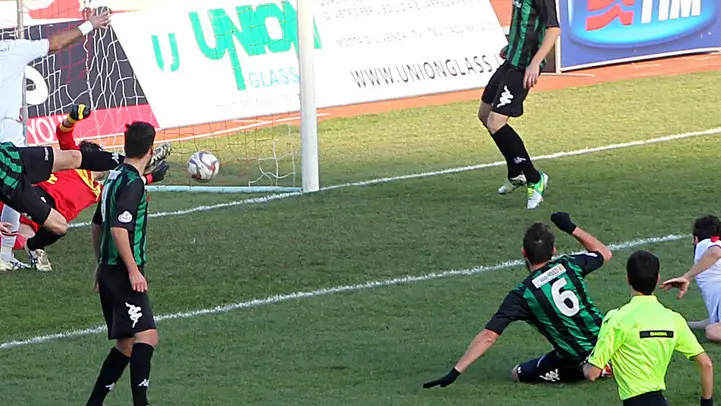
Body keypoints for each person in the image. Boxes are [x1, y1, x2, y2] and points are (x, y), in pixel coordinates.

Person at [423, 212, 612, 388]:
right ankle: (610, 359)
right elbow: (604, 252)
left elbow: (489, 336)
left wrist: (455, 371)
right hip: (608, 339)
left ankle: (597, 366)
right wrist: (571, 227)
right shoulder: (569, 264)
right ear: (553, 250)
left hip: (575, 359)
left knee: (517, 373)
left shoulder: (522, 294)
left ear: (523, 252)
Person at [0, 7, 111, 270]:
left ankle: (5, 255)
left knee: (64, 162)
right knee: (49, 188)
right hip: (11, 148)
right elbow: (57, 42)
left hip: (14, 147)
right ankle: (7, 252)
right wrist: (90, 25)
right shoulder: (12, 49)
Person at [0, 104, 170, 271]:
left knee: (55, 227)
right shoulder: (74, 163)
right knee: (18, 229)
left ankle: (32, 247)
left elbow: (125, 193)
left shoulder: (100, 189)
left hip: (19, 173)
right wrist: (71, 119)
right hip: (32, 195)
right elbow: (63, 133)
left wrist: (147, 178)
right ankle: (8, 255)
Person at [86, 121, 160, 406]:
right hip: (122, 273)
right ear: (150, 151)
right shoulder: (132, 183)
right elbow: (117, 229)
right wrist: (132, 270)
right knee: (147, 337)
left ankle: (94, 403)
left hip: (109, 269)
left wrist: (100, 263)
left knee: (126, 344)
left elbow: (96, 225)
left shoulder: (113, 177)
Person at [584, 250, 714, 406]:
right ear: (658, 279)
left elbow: (592, 373)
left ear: (628, 279)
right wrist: (707, 403)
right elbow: (706, 364)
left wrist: (586, 364)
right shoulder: (673, 319)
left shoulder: (616, 318)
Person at [478, 0, 561, 209]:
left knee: (496, 122)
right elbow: (525, 23)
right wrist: (511, 45)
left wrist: (535, 62)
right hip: (511, 60)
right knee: (484, 114)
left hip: (523, 66)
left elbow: (553, 29)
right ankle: (516, 173)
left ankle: (535, 178)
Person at [660, 215, 721, 342]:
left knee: (712, 331)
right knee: (712, 326)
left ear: (696, 239)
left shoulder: (705, 244)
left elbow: (715, 252)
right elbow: (715, 320)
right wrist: (685, 324)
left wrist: (687, 277)